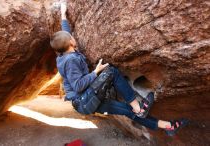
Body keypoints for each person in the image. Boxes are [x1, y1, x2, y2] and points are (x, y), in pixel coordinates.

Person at [50, 1, 188, 136]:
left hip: (86, 102)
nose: (72, 37)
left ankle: (168, 126)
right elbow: (78, 85)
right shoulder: (71, 60)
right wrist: (95, 72)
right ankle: (138, 107)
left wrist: (63, 14)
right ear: (70, 42)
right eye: (71, 37)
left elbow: (65, 33)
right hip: (84, 99)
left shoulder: (63, 52)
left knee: (127, 110)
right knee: (112, 72)